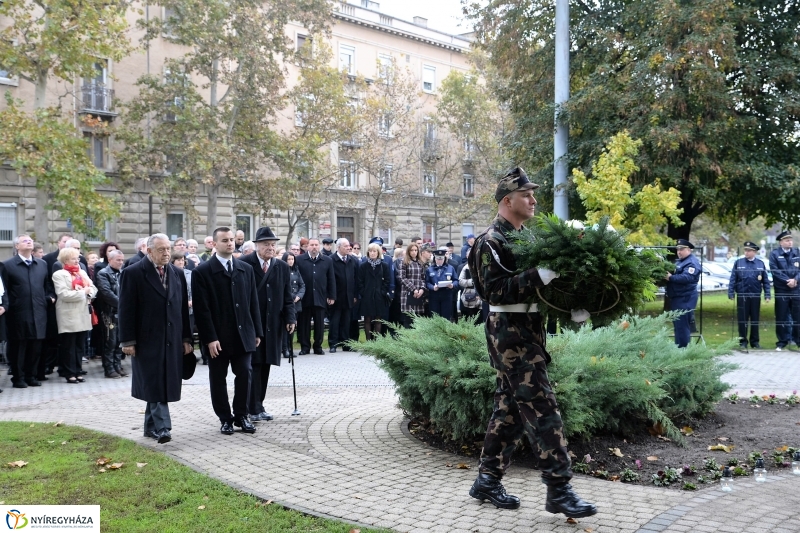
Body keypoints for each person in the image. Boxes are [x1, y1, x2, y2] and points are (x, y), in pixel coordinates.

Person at [468, 167, 596, 519]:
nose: (534, 200)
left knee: (509, 410)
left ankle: (487, 480)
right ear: (507, 201)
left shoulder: (526, 239)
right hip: (509, 334)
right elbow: (494, 291)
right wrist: (536, 275)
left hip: (528, 332)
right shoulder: (491, 241)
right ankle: (559, 489)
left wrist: (570, 305)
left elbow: (543, 288)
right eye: (527, 195)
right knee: (542, 406)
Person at [119, 234, 193, 444]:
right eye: (161, 249)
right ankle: (163, 428)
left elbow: (181, 309)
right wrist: (127, 341)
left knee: (160, 382)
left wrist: (186, 338)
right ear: (149, 251)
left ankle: (151, 427)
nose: (166, 253)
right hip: (146, 339)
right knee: (155, 382)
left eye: (168, 249)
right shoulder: (132, 273)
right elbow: (126, 310)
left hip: (172, 338)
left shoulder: (177, 273)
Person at [192, 227, 263, 435]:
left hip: (243, 335)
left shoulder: (245, 269)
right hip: (218, 338)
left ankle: (242, 414)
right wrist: (210, 338)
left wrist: (257, 331)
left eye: (232, 240)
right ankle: (225, 418)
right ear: (214, 244)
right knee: (218, 377)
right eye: (225, 240)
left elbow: (253, 303)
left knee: (245, 373)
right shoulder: (202, 272)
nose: (230, 243)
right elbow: (201, 309)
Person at [241, 227, 296, 421]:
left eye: (273, 245)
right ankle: (250, 407)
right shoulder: (244, 264)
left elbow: (287, 296)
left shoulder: (281, 266)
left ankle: (259, 406)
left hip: (273, 324)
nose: (270, 248)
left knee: (266, 365)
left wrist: (291, 318)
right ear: (256, 246)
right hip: (252, 324)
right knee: (253, 366)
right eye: (266, 244)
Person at [2, 234, 54, 388]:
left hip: (39, 311)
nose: (29, 242)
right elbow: (4, 290)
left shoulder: (42, 264)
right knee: (19, 346)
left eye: (30, 240)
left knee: (36, 346)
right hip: (18, 313)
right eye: (24, 240)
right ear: (17, 246)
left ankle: (31, 375)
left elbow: (47, 286)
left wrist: (50, 297)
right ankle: (18, 377)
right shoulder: (7, 265)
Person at [52, 247, 98, 384]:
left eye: (78, 258)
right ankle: (69, 372)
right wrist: (84, 292)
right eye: (74, 258)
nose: (77, 261)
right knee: (69, 346)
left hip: (83, 313)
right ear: (66, 260)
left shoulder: (81, 272)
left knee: (80, 346)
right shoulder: (59, 274)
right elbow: (63, 294)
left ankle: (78, 371)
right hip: (69, 314)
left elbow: (93, 288)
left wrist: (88, 292)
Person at [295, 238, 336, 355]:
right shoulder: (299, 260)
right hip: (304, 298)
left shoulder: (327, 260)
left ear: (319, 246)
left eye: (316, 245)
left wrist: (332, 296)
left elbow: (331, 279)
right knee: (304, 324)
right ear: (307, 246)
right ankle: (305, 347)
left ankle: (318, 346)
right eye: (312, 245)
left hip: (320, 297)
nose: (314, 247)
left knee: (319, 324)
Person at [728, 241, 771, 349]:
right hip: (742, 295)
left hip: (755, 295)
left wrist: (767, 294)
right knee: (742, 319)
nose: (746, 252)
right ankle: (742, 341)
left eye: (749, 251)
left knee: (755, 319)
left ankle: (755, 342)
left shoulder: (760, 263)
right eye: (745, 250)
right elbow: (733, 278)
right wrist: (731, 292)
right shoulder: (739, 262)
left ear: (754, 252)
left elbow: (765, 281)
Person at [95, 250, 127, 378]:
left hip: (122, 312)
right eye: (118, 260)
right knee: (110, 341)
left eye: (122, 260)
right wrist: (123, 304)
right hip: (109, 313)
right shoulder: (103, 274)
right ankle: (109, 368)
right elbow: (106, 293)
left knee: (120, 341)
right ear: (110, 260)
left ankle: (117, 366)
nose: (121, 263)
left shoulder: (123, 273)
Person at [665, 239, 701, 348]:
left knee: (682, 325)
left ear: (689, 249)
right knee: (678, 325)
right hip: (678, 298)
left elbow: (687, 277)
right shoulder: (681, 261)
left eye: (682, 249)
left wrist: (670, 278)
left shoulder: (691, 262)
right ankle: (679, 348)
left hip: (685, 298)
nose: (679, 252)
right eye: (677, 249)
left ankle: (683, 349)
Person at [769, 230, 800, 350]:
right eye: (787, 240)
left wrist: (795, 280)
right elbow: (775, 271)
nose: (790, 242)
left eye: (791, 240)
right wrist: (788, 281)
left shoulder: (797, 252)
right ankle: (782, 341)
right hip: (782, 289)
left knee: (797, 316)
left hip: (796, 289)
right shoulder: (774, 254)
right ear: (781, 242)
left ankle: (797, 340)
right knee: (781, 316)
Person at [329, 238, 358, 353]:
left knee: (347, 321)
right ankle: (333, 344)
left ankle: (346, 344)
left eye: (349, 246)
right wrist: (330, 296)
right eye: (345, 246)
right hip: (336, 297)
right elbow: (328, 280)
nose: (348, 248)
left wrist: (355, 295)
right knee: (334, 322)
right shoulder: (331, 260)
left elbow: (356, 279)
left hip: (349, 296)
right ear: (339, 247)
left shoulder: (352, 260)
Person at [359, 243, 391, 340]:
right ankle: (369, 340)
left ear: (378, 252)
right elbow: (360, 281)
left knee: (378, 319)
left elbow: (387, 280)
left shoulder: (384, 265)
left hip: (379, 296)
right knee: (367, 319)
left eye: (374, 251)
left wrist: (382, 292)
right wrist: (363, 292)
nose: (372, 253)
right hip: (367, 296)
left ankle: (377, 341)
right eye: (370, 251)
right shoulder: (363, 266)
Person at [281, 252, 305, 358]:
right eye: (288, 259)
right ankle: (284, 348)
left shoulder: (296, 271)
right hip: (286, 303)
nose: (291, 261)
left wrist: (299, 296)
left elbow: (302, 285)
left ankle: (290, 348)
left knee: (293, 326)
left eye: (292, 259)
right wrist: (290, 297)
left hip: (296, 303)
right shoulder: (281, 270)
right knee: (285, 327)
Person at [426, 247, 458, 320]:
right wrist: (432, 287)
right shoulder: (430, 269)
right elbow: (427, 282)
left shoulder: (450, 268)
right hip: (434, 295)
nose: (440, 261)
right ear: (435, 259)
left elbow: (456, 280)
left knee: (446, 318)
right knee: (435, 317)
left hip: (447, 295)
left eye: (441, 259)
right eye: (438, 259)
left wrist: (452, 285)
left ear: (444, 259)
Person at [398, 243, 426, 328]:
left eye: (416, 250)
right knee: (408, 320)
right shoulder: (404, 262)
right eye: (412, 250)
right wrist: (413, 289)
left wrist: (422, 289)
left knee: (417, 321)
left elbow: (423, 278)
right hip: (408, 293)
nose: (414, 252)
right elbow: (402, 278)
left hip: (418, 294)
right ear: (408, 251)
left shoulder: (420, 263)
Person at [459, 250, 482, 324]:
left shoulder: (483, 266)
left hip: (482, 297)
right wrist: (472, 282)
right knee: (470, 320)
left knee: (481, 320)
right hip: (470, 298)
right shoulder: (466, 267)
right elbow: (460, 281)